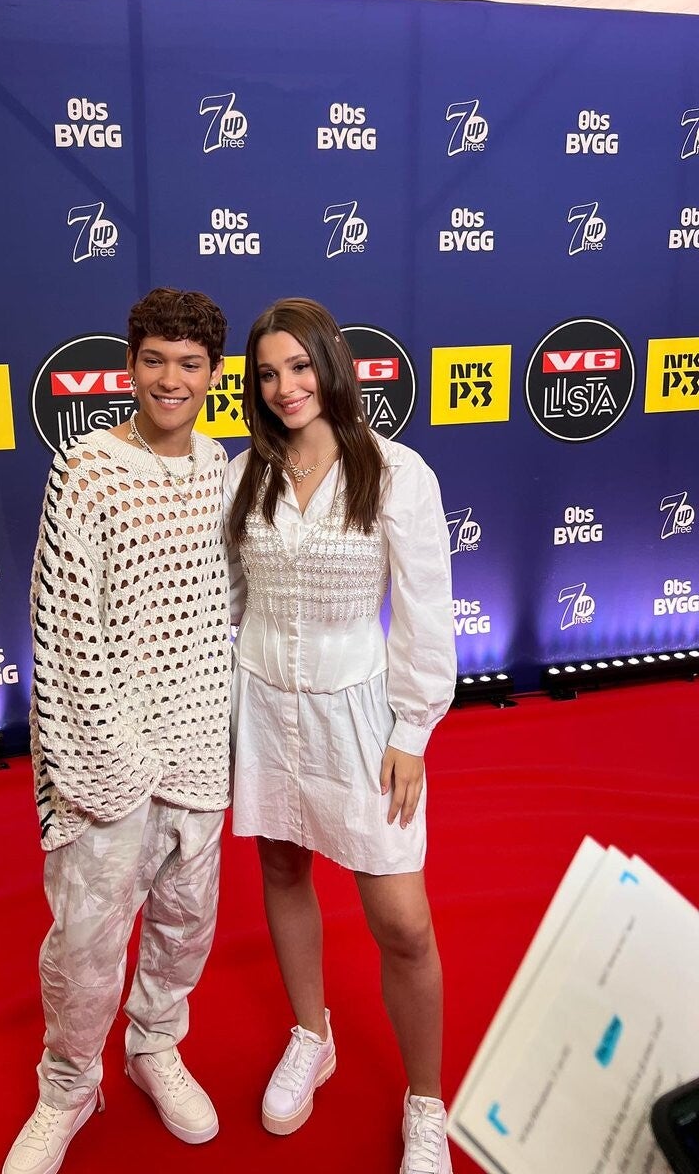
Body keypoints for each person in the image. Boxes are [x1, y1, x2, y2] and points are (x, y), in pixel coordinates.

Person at [223, 298, 457, 1173]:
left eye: (298, 365)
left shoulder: (397, 474)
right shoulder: (242, 475)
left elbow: (426, 612)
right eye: (267, 374)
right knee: (283, 869)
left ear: (330, 364)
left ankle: (425, 1102)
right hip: (261, 707)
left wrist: (413, 729)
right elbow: (231, 602)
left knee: (403, 923)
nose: (285, 387)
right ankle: (310, 1034)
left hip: (360, 717)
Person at [3, 288, 232, 1174]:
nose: (171, 379)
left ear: (213, 375)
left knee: (186, 922)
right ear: (129, 366)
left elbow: (227, 605)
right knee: (86, 942)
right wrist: (110, 757)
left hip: (201, 739)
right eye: (154, 360)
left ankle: (154, 1046)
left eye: (189, 363)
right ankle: (67, 1088)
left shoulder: (220, 467)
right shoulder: (87, 468)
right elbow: (65, 627)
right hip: (106, 748)